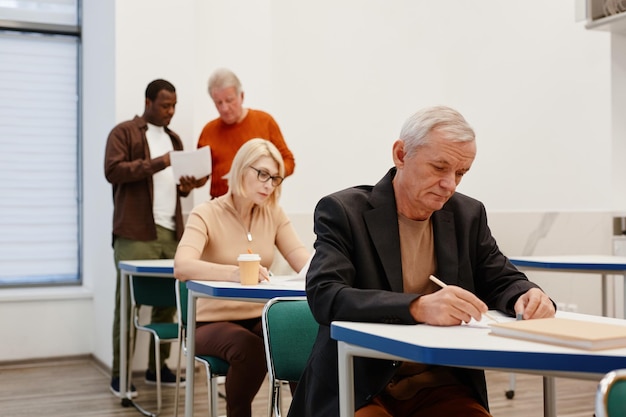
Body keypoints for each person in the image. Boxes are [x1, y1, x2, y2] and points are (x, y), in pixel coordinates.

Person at [288, 105, 556, 417]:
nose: (450, 185)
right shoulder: (345, 212)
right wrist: (416, 307)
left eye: (461, 173)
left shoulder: (467, 215)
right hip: (361, 385)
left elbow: (501, 278)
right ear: (401, 155)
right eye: (439, 168)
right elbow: (325, 295)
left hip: (441, 384)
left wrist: (526, 295)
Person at [174, 138, 310, 417]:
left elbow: (304, 262)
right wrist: (234, 274)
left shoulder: (273, 214)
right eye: (262, 174)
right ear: (240, 169)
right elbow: (182, 266)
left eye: (274, 178)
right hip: (208, 321)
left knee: (299, 340)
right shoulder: (206, 213)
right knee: (250, 349)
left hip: (258, 316)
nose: (268, 184)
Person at [104, 79, 207, 397]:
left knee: (168, 304)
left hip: (171, 231)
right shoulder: (124, 132)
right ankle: (120, 376)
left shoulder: (174, 139)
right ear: (148, 102)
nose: (171, 111)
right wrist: (159, 162)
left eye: (174, 105)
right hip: (135, 231)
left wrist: (187, 185)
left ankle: (156, 367)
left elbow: (173, 186)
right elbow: (113, 171)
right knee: (129, 304)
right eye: (165, 105)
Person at [197, 68, 296, 199]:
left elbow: (288, 161)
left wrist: (268, 176)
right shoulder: (208, 131)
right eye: (218, 103)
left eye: (229, 100)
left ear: (242, 96)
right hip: (221, 207)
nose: (224, 108)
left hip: (259, 205)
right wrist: (191, 181)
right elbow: (202, 174)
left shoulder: (265, 122)